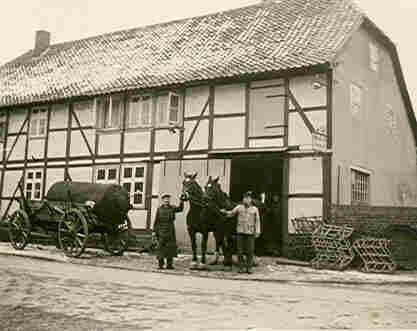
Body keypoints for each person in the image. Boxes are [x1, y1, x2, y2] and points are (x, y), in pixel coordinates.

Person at [221, 191, 261, 274]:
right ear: (243, 200)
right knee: (240, 251)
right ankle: (241, 267)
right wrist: (225, 212)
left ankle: (249, 268)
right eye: (245, 198)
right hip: (240, 232)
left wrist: (257, 231)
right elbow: (231, 214)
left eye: (248, 198)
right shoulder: (239, 207)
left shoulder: (255, 209)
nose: (246, 200)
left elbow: (257, 221)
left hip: (250, 233)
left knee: (250, 251)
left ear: (251, 200)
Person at [153, 193, 185, 270]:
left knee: (170, 248)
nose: (167, 200)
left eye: (168, 199)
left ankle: (169, 265)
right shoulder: (159, 209)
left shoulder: (172, 208)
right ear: (163, 200)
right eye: (165, 199)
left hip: (170, 230)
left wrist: (182, 201)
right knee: (160, 248)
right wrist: (154, 231)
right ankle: (160, 265)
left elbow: (180, 209)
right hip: (161, 231)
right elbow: (156, 221)